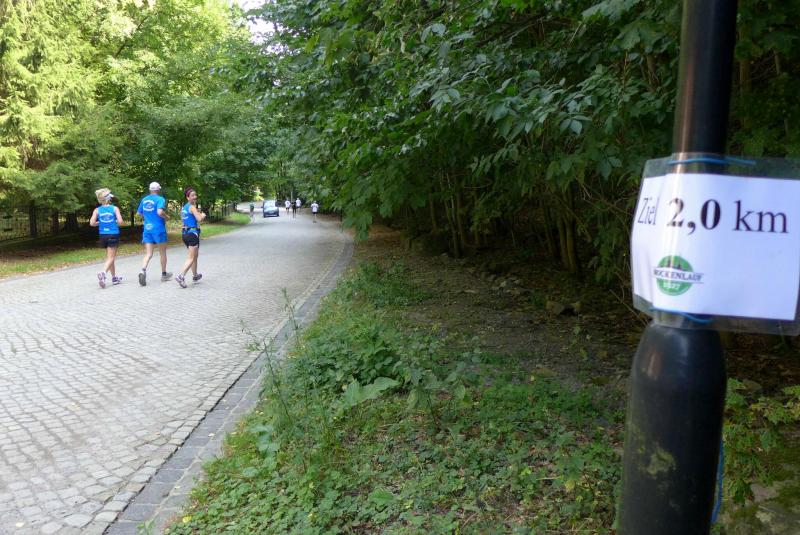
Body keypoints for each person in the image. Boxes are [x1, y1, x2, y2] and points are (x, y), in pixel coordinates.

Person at [137, 181, 171, 286]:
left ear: (150, 190)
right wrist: (167, 217)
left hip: (147, 229)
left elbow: (139, 213)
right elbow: (160, 212)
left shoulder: (144, 200)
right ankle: (164, 274)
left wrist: (148, 218)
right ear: (158, 189)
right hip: (158, 229)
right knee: (162, 253)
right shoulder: (160, 199)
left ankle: (142, 270)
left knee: (148, 254)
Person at [90, 188, 123, 288]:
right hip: (113, 234)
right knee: (111, 258)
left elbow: (92, 223)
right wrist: (114, 221)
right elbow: (120, 222)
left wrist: (100, 222)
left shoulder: (97, 210)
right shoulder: (114, 208)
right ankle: (103, 273)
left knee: (110, 257)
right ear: (109, 199)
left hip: (103, 235)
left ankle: (114, 278)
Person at [176, 187, 206, 288]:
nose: (195, 197)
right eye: (192, 195)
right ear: (187, 197)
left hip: (185, 234)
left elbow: (184, 221)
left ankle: (195, 275)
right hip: (192, 234)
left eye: (195, 195)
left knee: (194, 256)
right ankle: (181, 276)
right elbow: (199, 219)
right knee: (191, 257)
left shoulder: (184, 208)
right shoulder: (192, 207)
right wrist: (203, 215)